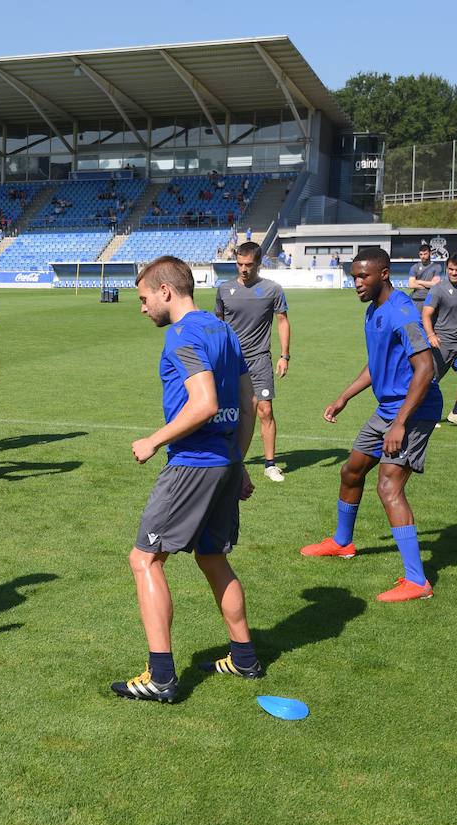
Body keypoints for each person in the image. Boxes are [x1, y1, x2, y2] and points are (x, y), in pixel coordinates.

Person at [111, 257, 258, 703]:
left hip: (193, 463)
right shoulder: (223, 330)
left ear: (166, 291)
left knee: (145, 559)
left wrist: (153, 440)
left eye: (144, 298)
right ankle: (244, 657)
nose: (142, 308)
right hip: (224, 461)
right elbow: (248, 402)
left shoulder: (183, 334)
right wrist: (238, 461)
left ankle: (161, 676)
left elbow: (205, 402)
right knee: (212, 557)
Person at [300, 247, 440, 603]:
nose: (357, 283)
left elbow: (425, 369)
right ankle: (342, 542)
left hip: (414, 409)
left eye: (363, 276)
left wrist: (400, 423)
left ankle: (417, 581)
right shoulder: (373, 310)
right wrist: (344, 396)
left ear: (384, 274)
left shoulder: (402, 312)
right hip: (389, 407)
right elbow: (377, 363)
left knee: (389, 486)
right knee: (351, 470)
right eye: (354, 277)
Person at [215, 241, 291, 482]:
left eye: (248, 265)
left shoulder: (272, 290)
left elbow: (282, 321)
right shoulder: (224, 289)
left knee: (265, 410)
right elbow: (218, 325)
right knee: (229, 411)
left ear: (258, 263)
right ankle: (229, 458)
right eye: (239, 264)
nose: (243, 269)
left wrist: (284, 356)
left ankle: (270, 465)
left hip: (259, 360)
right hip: (231, 361)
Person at [421, 252, 457, 430]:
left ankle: (456, 413)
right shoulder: (438, 289)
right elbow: (426, 314)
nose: (453, 273)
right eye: (450, 269)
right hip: (441, 342)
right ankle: (423, 415)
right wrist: (431, 335)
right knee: (428, 381)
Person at [407, 242, 441, 309]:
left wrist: (418, 281)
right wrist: (428, 286)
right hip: (416, 299)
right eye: (421, 254)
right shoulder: (414, 267)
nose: (423, 256)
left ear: (430, 253)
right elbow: (411, 285)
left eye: (425, 254)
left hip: (430, 298)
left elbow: (435, 285)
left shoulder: (437, 267)